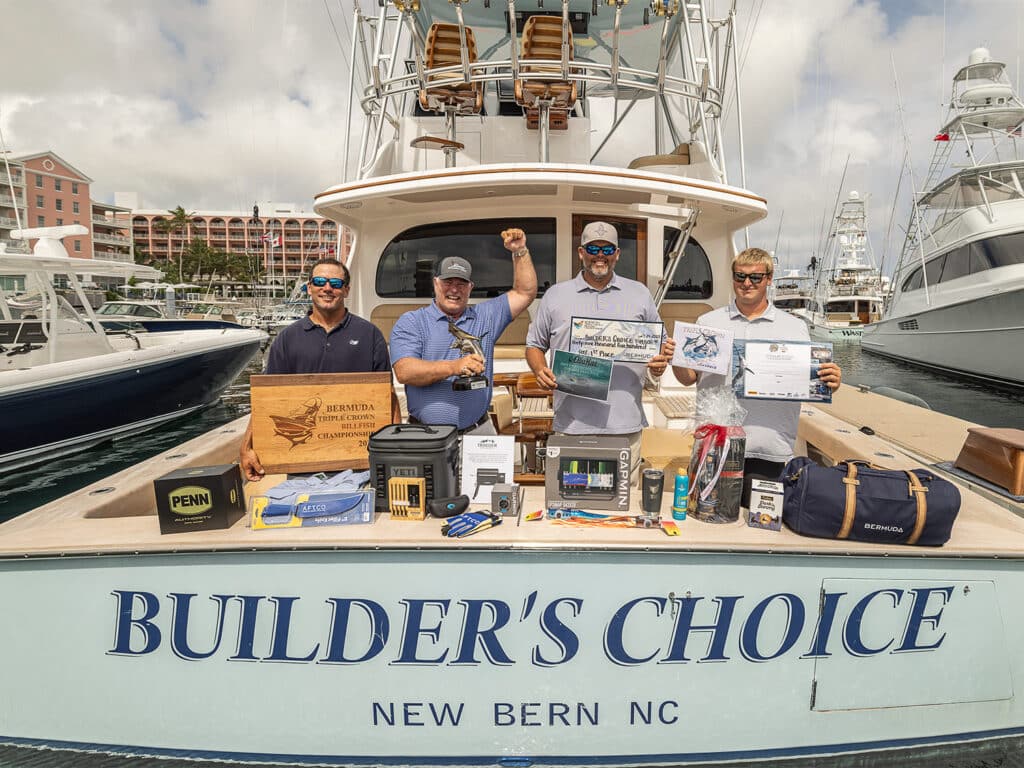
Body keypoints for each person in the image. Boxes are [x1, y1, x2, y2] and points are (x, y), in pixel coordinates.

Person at [671, 247, 842, 504]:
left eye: (755, 277)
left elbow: (811, 380)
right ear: (733, 279)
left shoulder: (794, 327)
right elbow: (687, 378)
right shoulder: (707, 321)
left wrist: (830, 380)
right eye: (740, 277)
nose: (747, 283)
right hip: (716, 445)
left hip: (770, 449)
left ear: (769, 279)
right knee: (710, 519)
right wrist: (677, 358)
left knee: (760, 525)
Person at [525, 221, 675, 482]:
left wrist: (660, 363)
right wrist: (539, 370)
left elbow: (658, 347)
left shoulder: (639, 293)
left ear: (617, 254)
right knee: (571, 505)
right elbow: (534, 345)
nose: (600, 255)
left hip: (625, 425)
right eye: (593, 248)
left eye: (608, 249)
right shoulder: (555, 295)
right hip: (571, 425)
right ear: (581, 252)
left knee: (621, 511)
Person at [239, 257, 400, 481]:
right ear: (309, 287)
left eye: (335, 283)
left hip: (360, 463)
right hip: (302, 463)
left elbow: (388, 396)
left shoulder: (370, 334)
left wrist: (396, 449)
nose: (327, 288)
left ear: (346, 290)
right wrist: (246, 447)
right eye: (320, 281)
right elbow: (266, 400)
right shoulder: (287, 338)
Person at [390, 227, 538, 434]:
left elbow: (525, 292)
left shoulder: (485, 316)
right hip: (426, 435)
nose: (454, 289)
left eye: (461, 283)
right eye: (448, 282)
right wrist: (454, 367)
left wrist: (519, 251)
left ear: (470, 287)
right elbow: (405, 372)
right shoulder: (413, 321)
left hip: (479, 431)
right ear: (435, 283)